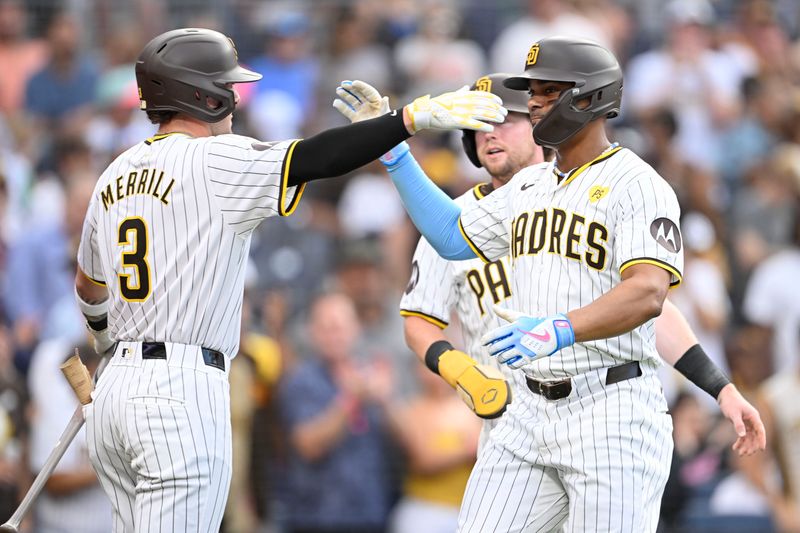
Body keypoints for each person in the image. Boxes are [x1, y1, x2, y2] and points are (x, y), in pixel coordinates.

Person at [72, 27, 505, 533]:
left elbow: (88, 287)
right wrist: (406, 120)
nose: (235, 99)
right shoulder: (218, 158)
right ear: (201, 94)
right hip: (179, 390)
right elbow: (319, 157)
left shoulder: (114, 173)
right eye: (226, 87)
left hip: (115, 393)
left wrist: (106, 341)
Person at [333, 37, 765, 532]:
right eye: (531, 92)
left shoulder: (638, 184)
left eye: (545, 91)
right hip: (523, 413)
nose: (534, 101)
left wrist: (560, 329)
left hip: (610, 407)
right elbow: (452, 236)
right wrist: (394, 150)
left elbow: (650, 295)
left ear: (590, 97)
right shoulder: (528, 187)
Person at [387, 73, 764, 454]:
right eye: (477, 126)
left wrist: (719, 386)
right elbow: (419, 317)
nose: (489, 133)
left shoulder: (592, 194)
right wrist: (458, 369)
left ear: (538, 123)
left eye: (504, 120)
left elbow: (650, 308)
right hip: (507, 416)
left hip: (595, 403)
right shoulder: (452, 218)